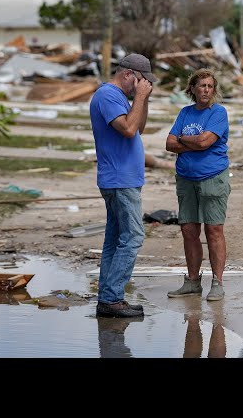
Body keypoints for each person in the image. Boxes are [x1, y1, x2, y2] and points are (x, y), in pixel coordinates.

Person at [89, 53, 157, 318]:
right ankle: (112, 298)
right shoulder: (107, 96)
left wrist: (144, 99)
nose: (140, 87)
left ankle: (108, 298)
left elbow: (138, 127)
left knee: (115, 239)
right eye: (139, 81)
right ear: (128, 74)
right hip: (119, 180)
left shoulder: (121, 98)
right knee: (133, 236)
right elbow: (127, 130)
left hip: (125, 178)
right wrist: (139, 98)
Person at [165, 68, 230, 301]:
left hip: (213, 177)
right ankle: (193, 282)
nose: (206, 90)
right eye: (201, 85)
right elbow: (169, 144)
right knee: (189, 230)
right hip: (186, 178)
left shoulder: (218, 113)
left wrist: (183, 140)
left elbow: (204, 142)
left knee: (214, 230)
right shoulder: (185, 113)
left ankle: (217, 283)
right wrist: (188, 142)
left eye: (210, 86)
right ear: (192, 89)